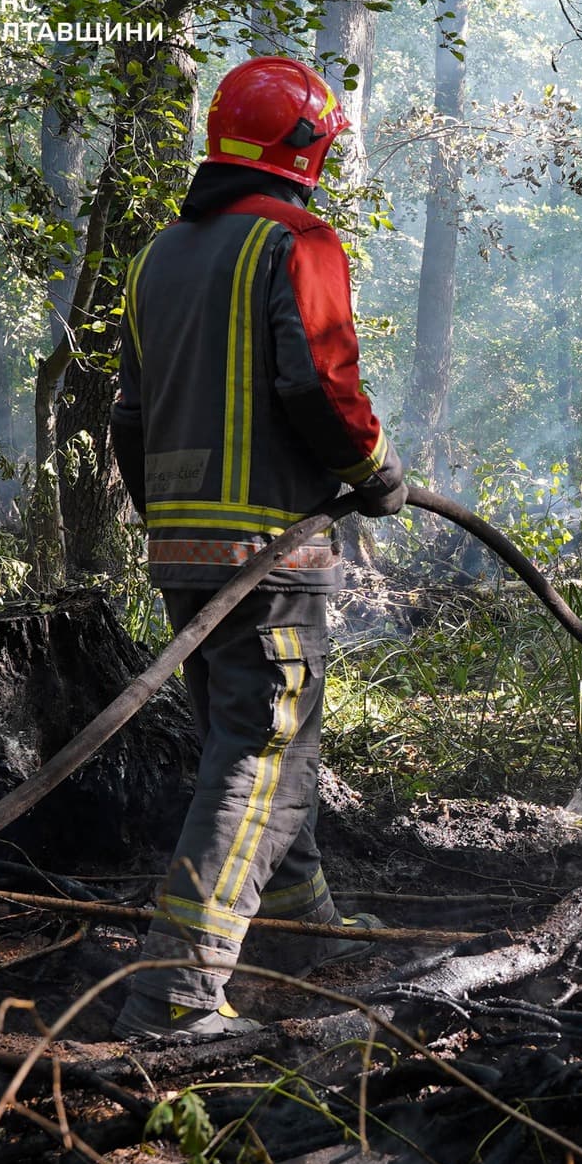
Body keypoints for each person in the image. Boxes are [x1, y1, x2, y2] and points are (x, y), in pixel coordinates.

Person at [109, 56, 408, 1040]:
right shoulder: (298, 240)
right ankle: (178, 994)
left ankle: (300, 918)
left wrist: (170, 523)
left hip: (182, 544)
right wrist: (372, 469)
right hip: (266, 547)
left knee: (265, 736)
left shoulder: (157, 258)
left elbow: (128, 419)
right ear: (309, 147)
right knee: (263, 754)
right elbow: (317, 387)